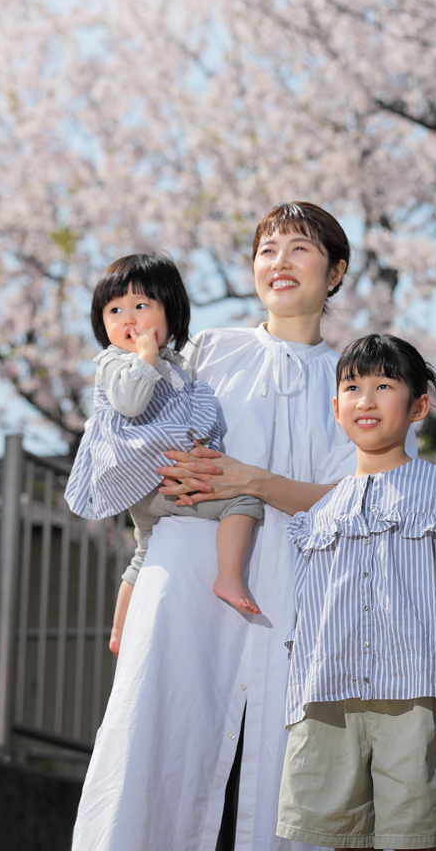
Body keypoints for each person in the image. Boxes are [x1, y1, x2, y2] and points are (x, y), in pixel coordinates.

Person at [73, 202, 384, 851]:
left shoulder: (354, 382)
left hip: (295, 603)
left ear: (335, 272)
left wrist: (252, 482)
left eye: (300, 248)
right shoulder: (208, 351)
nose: (280, 262)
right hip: (182, 582)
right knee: (158, 749)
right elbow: (136, 439)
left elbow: (359, 503)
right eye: (267, 250)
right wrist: (167, 478)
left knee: (270, 782)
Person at [276, 333, 436, 851]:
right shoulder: (316, 516)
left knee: (419, 839)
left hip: (417, 697)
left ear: (418, 406)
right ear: (336, 408)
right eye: (352, 387)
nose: (366, 400)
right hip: (327, 696)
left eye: (384, 385)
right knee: (343, 841)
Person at [65, 254, 264, 653]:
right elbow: (130, 402)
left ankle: (118, 629)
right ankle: (228, 577)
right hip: (150, 478)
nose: (128, 319)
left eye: (141, 306)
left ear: (170, 314)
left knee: (144, 549)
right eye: (114, 310)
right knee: (245, 501)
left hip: (158, 479)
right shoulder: (114, 363)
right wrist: (145, 357)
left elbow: (194, 420)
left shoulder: (177, 368)